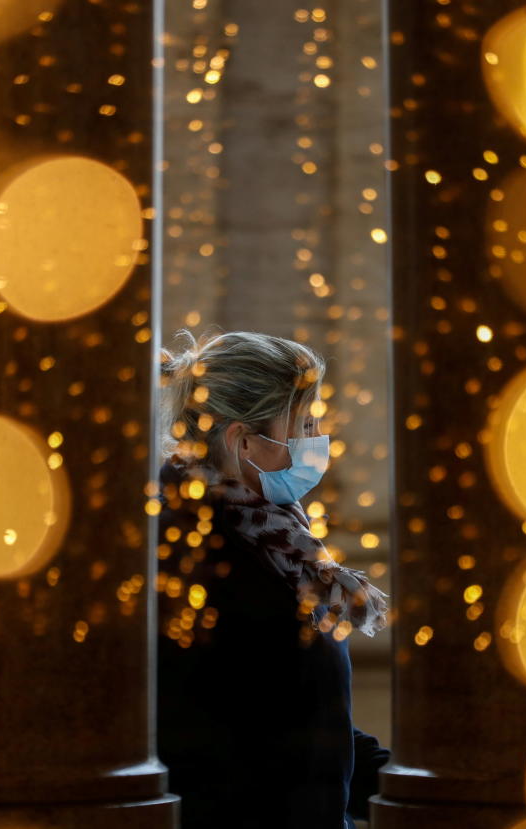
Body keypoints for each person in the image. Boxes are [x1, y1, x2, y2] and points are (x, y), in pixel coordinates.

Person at [154, 329, 391, 828]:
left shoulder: (275, 538)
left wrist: (397, 783)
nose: (315, 442)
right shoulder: (197, 558)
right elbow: (213, 742)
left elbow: (306, 717)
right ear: (243, 441)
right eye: (302, 424)